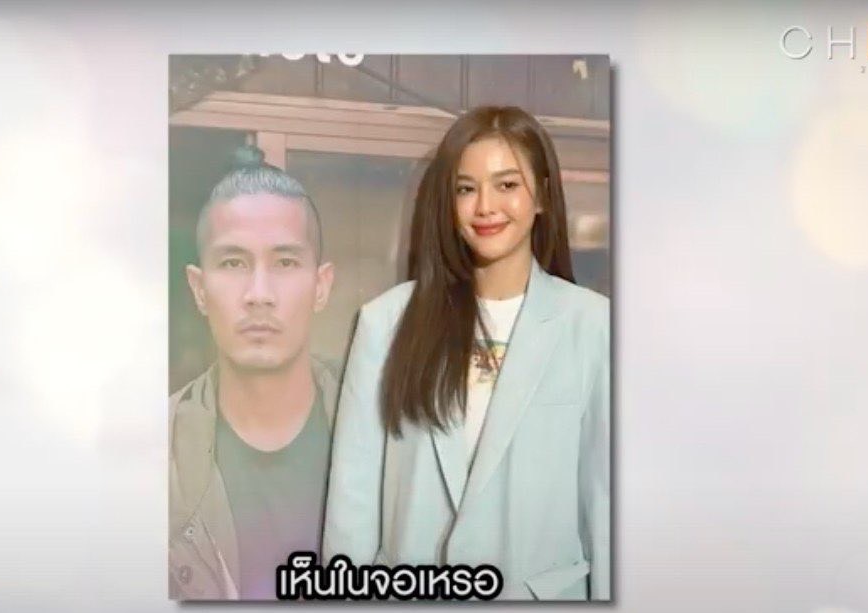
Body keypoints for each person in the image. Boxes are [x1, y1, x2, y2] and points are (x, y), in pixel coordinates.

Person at [322, 106, 610, 600]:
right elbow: (352, 506)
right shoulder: (385, 324)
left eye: (507, 185)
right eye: (465, 189)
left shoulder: (594, 325)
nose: (485, 207)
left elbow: (604, 508)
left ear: (542, 194)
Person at [169, 145, 338, 600]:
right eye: (233, 263)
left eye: (285, 263)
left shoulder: (387, 438)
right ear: (199, 289)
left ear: (321, 286)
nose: (259, 294)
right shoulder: (154, 458)